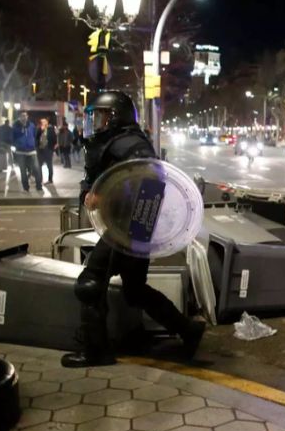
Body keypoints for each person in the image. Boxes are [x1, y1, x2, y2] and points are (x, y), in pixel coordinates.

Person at [61, 90, 205, 368]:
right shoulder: (112, 142)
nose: (96, 122)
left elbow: (150, 183)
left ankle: (96, 352)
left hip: (129, 226)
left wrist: (109, 199)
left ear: (116, 117)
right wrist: (92, 194)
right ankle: (188, 330)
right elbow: (96, 180)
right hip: (129, 227)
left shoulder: (129, 143)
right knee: (134, 290)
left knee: (90, 284)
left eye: (101, 116)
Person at [13, 112, 41, 192]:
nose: (24, 117)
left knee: (36, 169)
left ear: (27, 116)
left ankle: (39, 186)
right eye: (22, 116)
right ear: (19, 117)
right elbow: (12, 137)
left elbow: (35, 135)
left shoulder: (31, 125)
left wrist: (33, 143)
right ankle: (26, 187)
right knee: (23, 170)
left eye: (25, 116)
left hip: (32, 151)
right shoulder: (15, 126)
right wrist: (17, 144)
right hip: (20, 152)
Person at [35, 117, 58, 185]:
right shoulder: (39, 129)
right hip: (40, 150)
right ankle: (40, 179)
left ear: (47, 123)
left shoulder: (51, 130)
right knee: (39, 165)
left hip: (48, 150)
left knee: (49, 165)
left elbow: (54, 139)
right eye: (42, 122)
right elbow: (36, 138)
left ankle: (50, 179)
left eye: (44, 122)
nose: (43, 123)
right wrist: (37, 146)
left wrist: (52, 148)